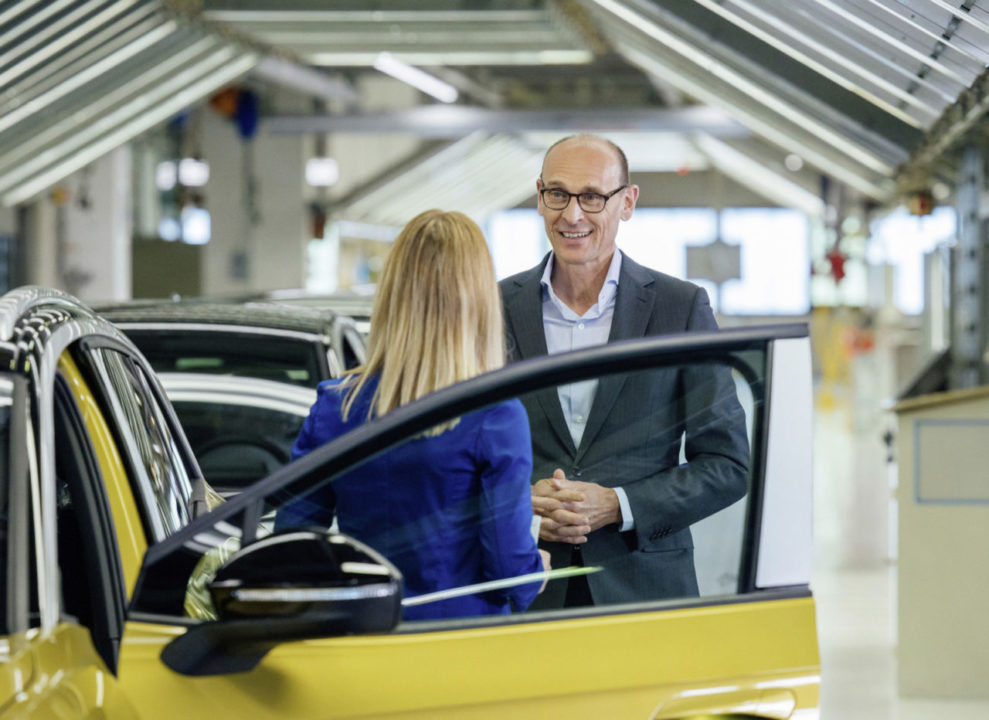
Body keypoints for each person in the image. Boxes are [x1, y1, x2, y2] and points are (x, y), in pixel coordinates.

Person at [500, 135, 749, 609]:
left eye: (592, 196)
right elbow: (457, 454)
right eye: (558, 194)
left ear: (627, 202)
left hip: (644, 588)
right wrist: (519, 506)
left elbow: (727, 465)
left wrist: (619, 504)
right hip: (520, 585)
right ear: (539, 197)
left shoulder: (679, 309)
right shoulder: (493, 309)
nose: (572, 215)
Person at [277, 209, 549, 621]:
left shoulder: (336, 405)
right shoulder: (493, 413)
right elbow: (509, 569)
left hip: (360, 637)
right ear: (478, 302)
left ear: (392, 295)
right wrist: (537, 570)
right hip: (456, 647)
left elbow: (291, 545)